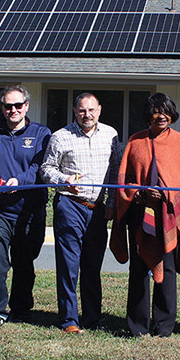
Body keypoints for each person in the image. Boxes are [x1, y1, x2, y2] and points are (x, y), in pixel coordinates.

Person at [110, 93, 180, 337]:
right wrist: (137, 194)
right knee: (138, 269)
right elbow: (124, 180)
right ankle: (137, 326)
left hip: (168, 215)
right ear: (148, 115)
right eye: (156, 111)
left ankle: (164, 326)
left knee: (167, 269)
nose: (161, 116)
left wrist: (167, 196)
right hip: (139, 215)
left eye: (166, 111)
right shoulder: (136, 141)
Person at [0, 85, 52, 328]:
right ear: (2, 108)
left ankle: (21, 308)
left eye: (18, 105)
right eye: (8, 106)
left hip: (29, 209)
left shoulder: (41, 134)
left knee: (24, 262)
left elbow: (41, 168)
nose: (13, 110)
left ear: (26, 106)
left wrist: (21, 181)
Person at [39, 92, 122, 334]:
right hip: (70, 204)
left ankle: (93, 318)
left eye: (91, 110)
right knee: (68, 265)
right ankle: (69, 320)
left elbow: (115, 172)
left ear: (99, 110)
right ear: (75, 111)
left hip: (97, 208)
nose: (87, 115)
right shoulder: (60, 137)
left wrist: (112, 203)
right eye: (82, 110)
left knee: (92, 266)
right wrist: (63, 180)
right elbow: (46, 169)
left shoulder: (111, 135)